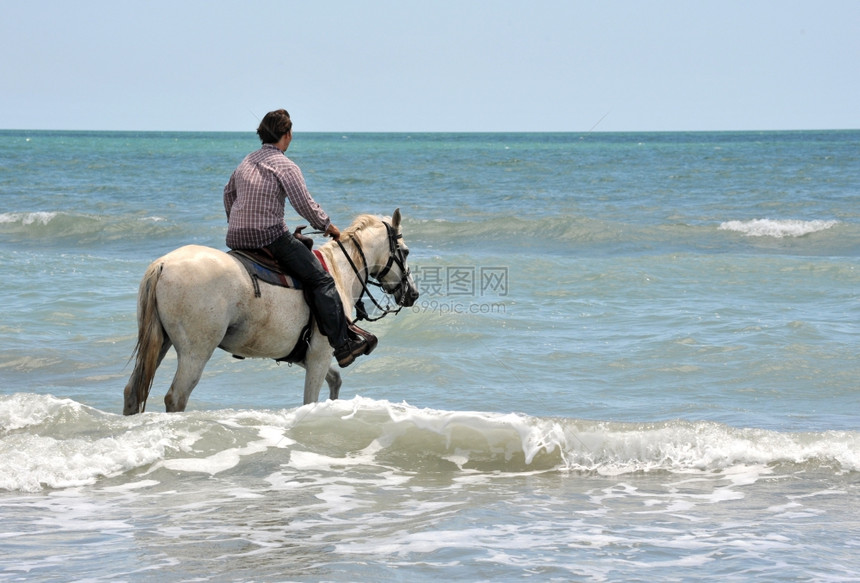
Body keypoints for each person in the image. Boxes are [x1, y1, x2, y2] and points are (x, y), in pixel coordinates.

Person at [223, 109, 370, 367]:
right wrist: (328, 226)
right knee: (322, 280)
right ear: (287, 135)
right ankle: (343, 346)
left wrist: (236, 224)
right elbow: (303, 203)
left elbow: (228, 194)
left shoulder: (245, 161)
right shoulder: (284, 165)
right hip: (269, 237)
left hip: (236, 239)